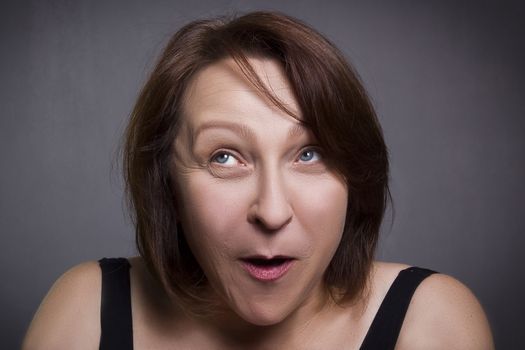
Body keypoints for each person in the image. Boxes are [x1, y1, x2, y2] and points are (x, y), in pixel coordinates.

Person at [23, 11, 494, 349]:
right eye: (225, 158)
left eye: (310, 153)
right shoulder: (88, 309)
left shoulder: (428, 321)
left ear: (354, 174)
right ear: (166, 181)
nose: (271, 211)